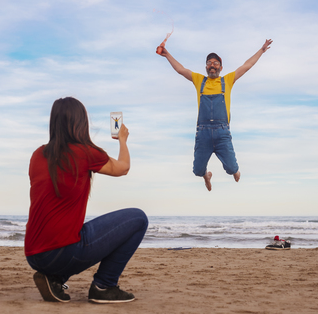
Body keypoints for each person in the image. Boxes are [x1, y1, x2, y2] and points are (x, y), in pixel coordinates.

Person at [24, 97, 148, 304]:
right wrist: (123, 140)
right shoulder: (84, 153)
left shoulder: (38, 154)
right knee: (138, 219)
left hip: (34, 254)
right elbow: (123, 168)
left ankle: (55, 278)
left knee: (73, 233)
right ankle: (104, 285)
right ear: (81, 122)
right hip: (61, 252)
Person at [158, 39, 273, 191]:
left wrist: (262, 50)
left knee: (232, 169)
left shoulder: (227, 80)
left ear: (221, 67)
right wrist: (167, 54)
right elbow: (181, 69)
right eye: (209, 63)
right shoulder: (199, 80)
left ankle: (235, 171)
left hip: (222, 133)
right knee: (197, 171)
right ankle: (207, 176)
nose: (212, 65)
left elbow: (247, 65)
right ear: (206, 67)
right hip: (203, 133)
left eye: (215, 63)